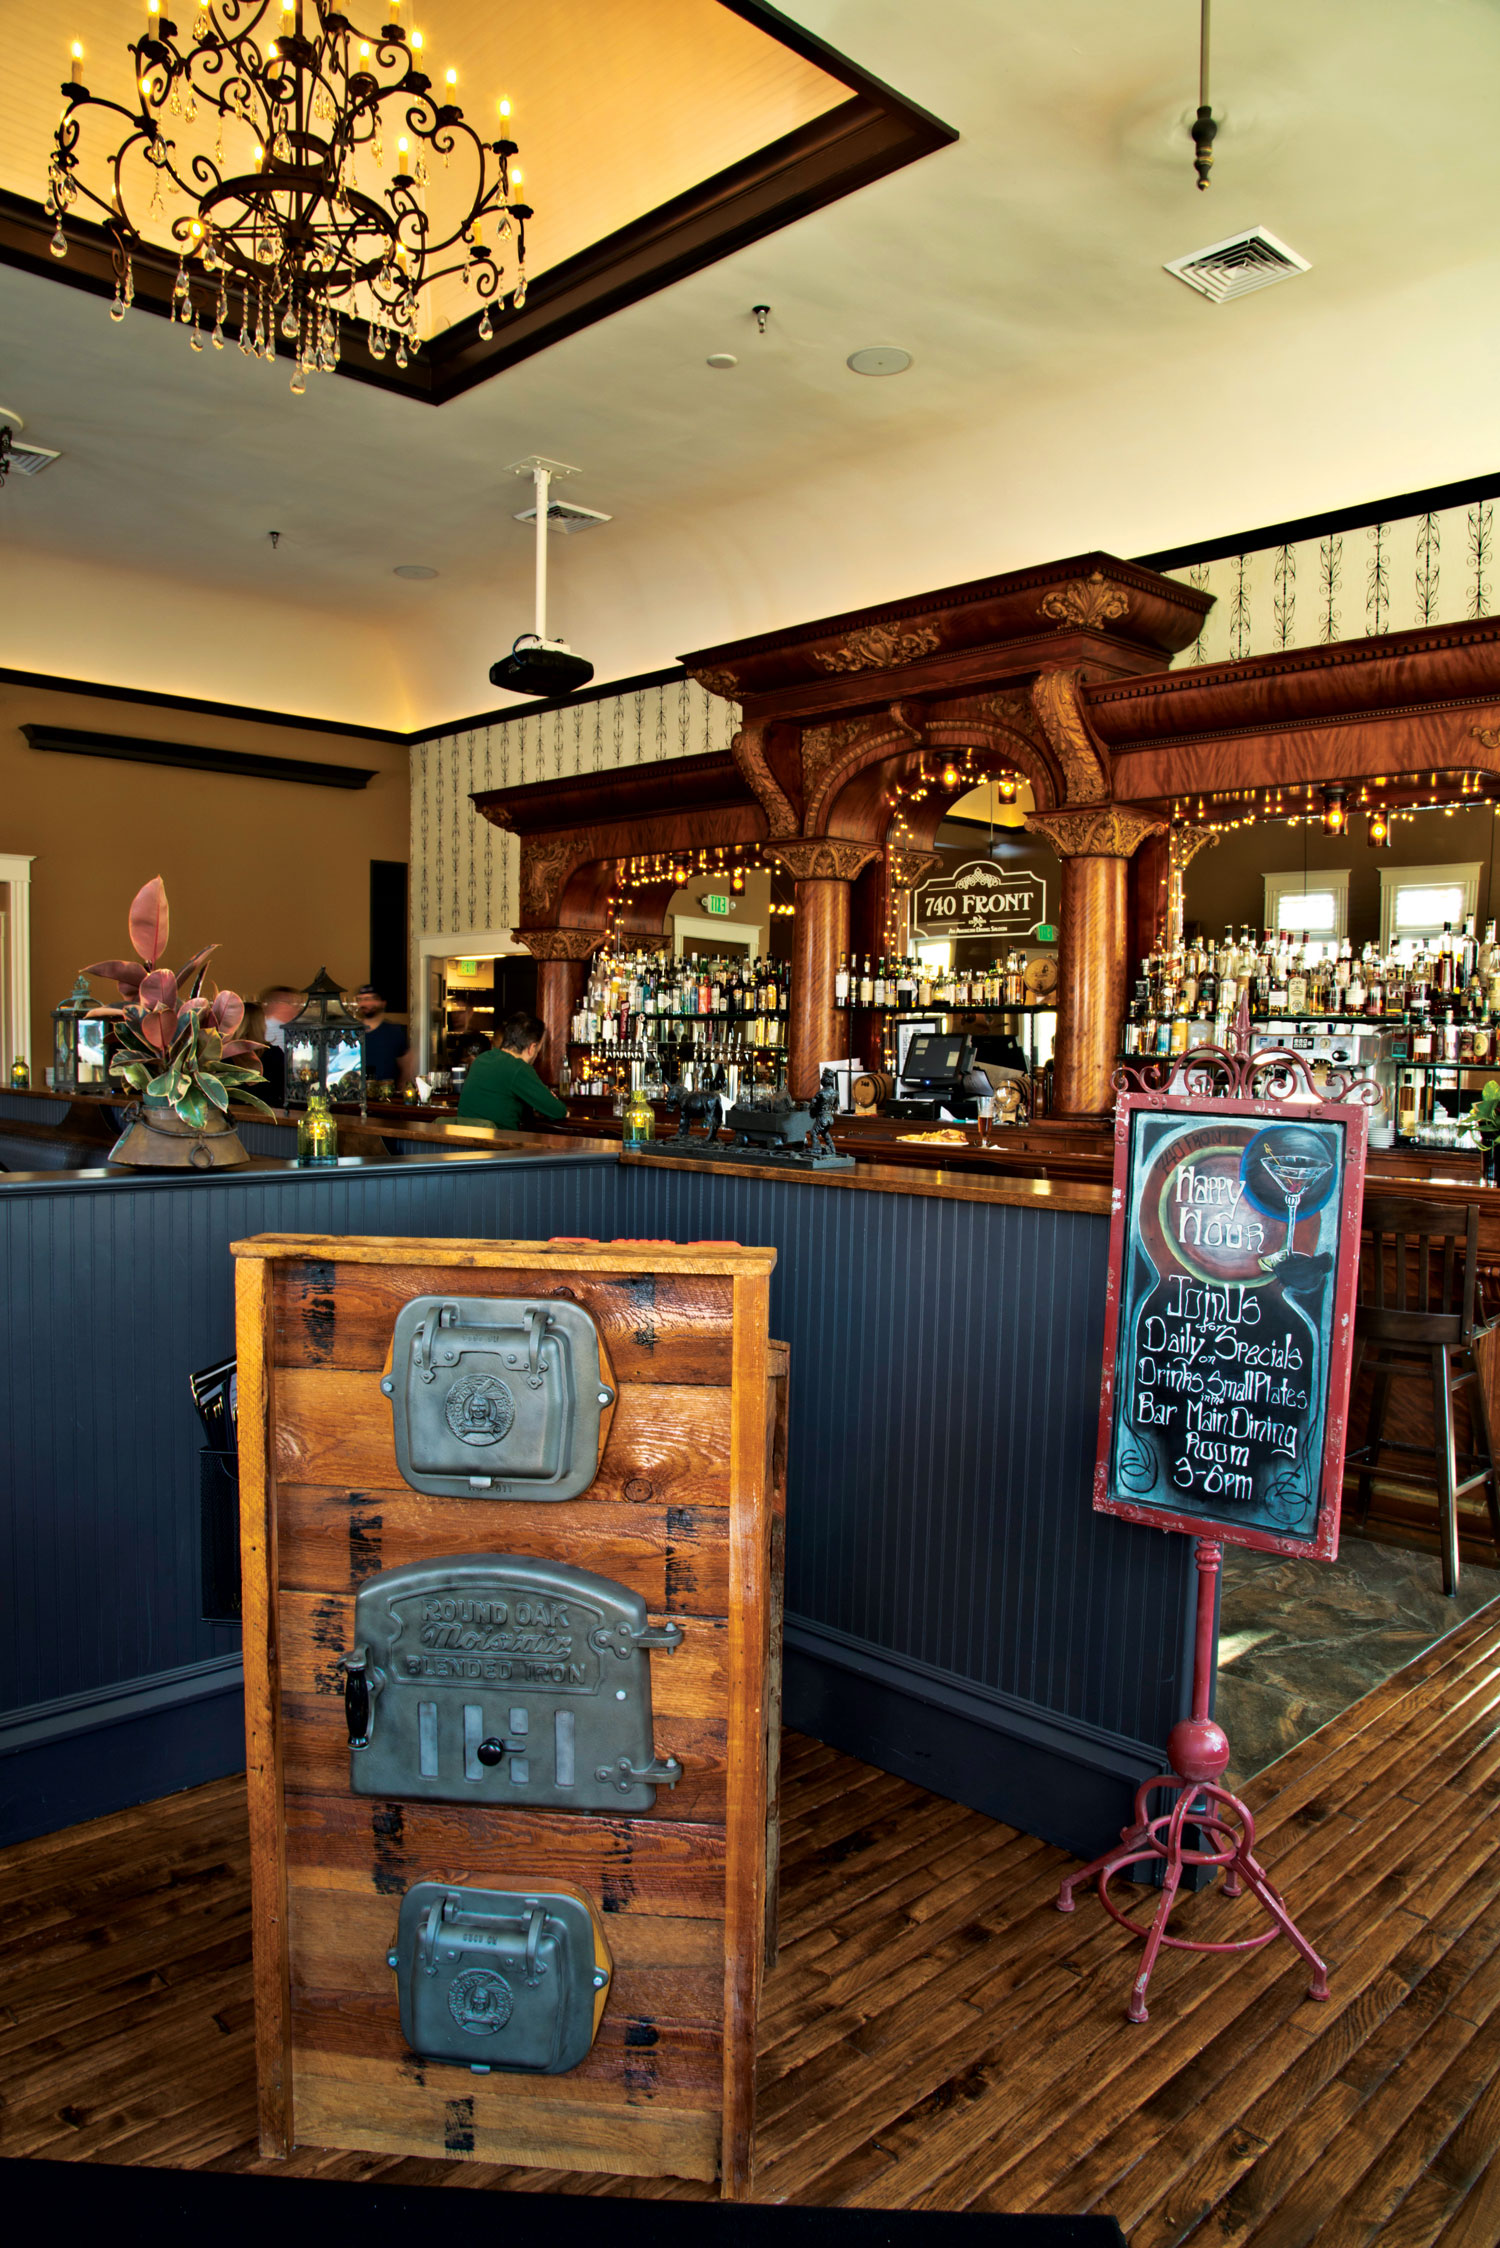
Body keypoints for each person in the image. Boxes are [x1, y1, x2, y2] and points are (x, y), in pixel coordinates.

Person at [458, 1011, 567, 1131]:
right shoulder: (518, 1068)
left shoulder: (482, 1059)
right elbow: (557, 1111)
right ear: (532, 1048)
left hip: (465, 1144)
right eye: (538, 1050)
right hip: (497, 1145)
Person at [352, 985, 413, 1085]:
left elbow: (407, 1070)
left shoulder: (395, 1032)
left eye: (370, 999)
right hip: (356, 1095)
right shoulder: (351, 1033)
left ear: (383, 1003)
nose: (365, 1003)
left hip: (387, 1095)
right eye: (360, 999)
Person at [257, 984, 302, 1108]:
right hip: (273, 1095)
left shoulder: (297, 1030)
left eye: (297, 1003)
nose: (297, 1008)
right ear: (274, 1003)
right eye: (290, 1003)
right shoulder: (264, 1029)